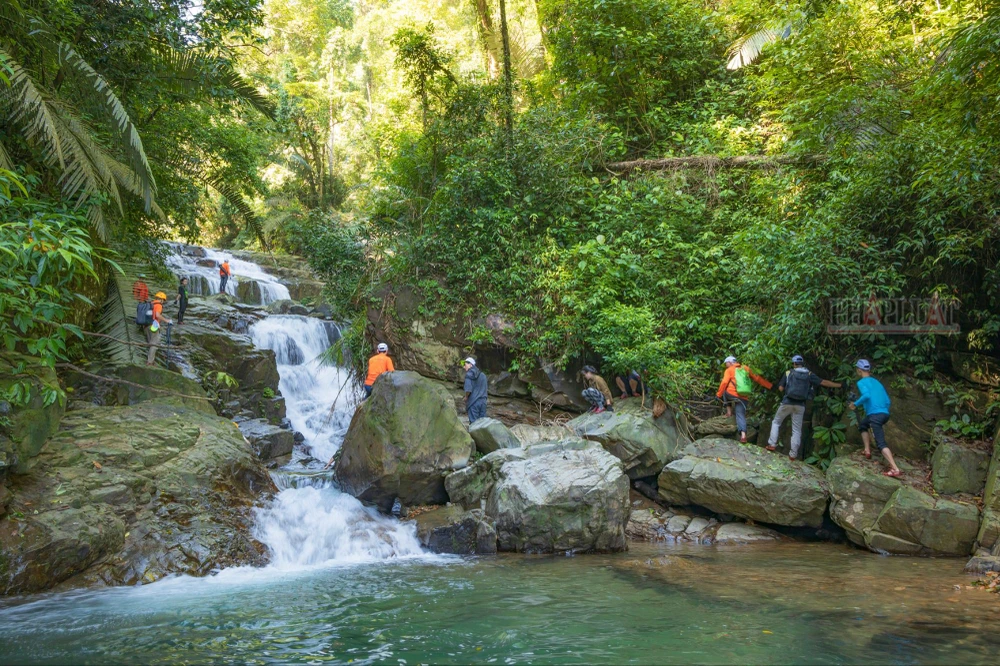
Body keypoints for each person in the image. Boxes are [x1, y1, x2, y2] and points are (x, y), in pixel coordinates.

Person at [766, 354, 842, 460]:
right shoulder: (809, 374)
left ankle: (772, 444)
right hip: (800, 405)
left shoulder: (788, 373)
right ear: (802, 364)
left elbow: (780, 388)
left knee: (776, 422)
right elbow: (823, 382)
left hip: (787, 403)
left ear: (794, 363)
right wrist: (839, 385)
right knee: (796, 430)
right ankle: (793, 454)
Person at [849, 359, 902, 477]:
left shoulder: (862, 382)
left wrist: (855, 404)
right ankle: (867, 450)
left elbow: (867, 395)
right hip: (884, 414)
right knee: (863, 425)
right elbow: (888, 401)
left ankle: (895, 468)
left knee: (881, 443)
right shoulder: (877, 382)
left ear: (859, 370)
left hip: (875, 415)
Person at [716, 356, 772, 443]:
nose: (726, 366)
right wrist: (769, 385)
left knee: (723, 391)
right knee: (740, 415)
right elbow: (757, 378)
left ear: (730, 362)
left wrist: (718, 395)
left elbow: (724, 383)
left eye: (726, 363)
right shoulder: (746, 368)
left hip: (731, 395)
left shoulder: (729, 370)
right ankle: (743, 436)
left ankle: (729, 412)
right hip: (743, 396)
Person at [146, 291, 171, 366]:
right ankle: (150, 362)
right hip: (154, 326)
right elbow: (157, 315)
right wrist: (166, 320)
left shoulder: (151, 304)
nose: (163, 302)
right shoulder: (159, 305)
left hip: (146, 325)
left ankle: (150, 360)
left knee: (150, 343)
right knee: (154, 344)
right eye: (163, 300)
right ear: (161, 299)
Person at [462, 357, 489, 424]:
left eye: (465, 365)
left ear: (471, 365)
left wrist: (466, 397)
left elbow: (468, 390)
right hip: (483, 402)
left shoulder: (468, 375)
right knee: (483, 425)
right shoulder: (483, 375)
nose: (464, 367)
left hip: (473, 403)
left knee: (474, 425)